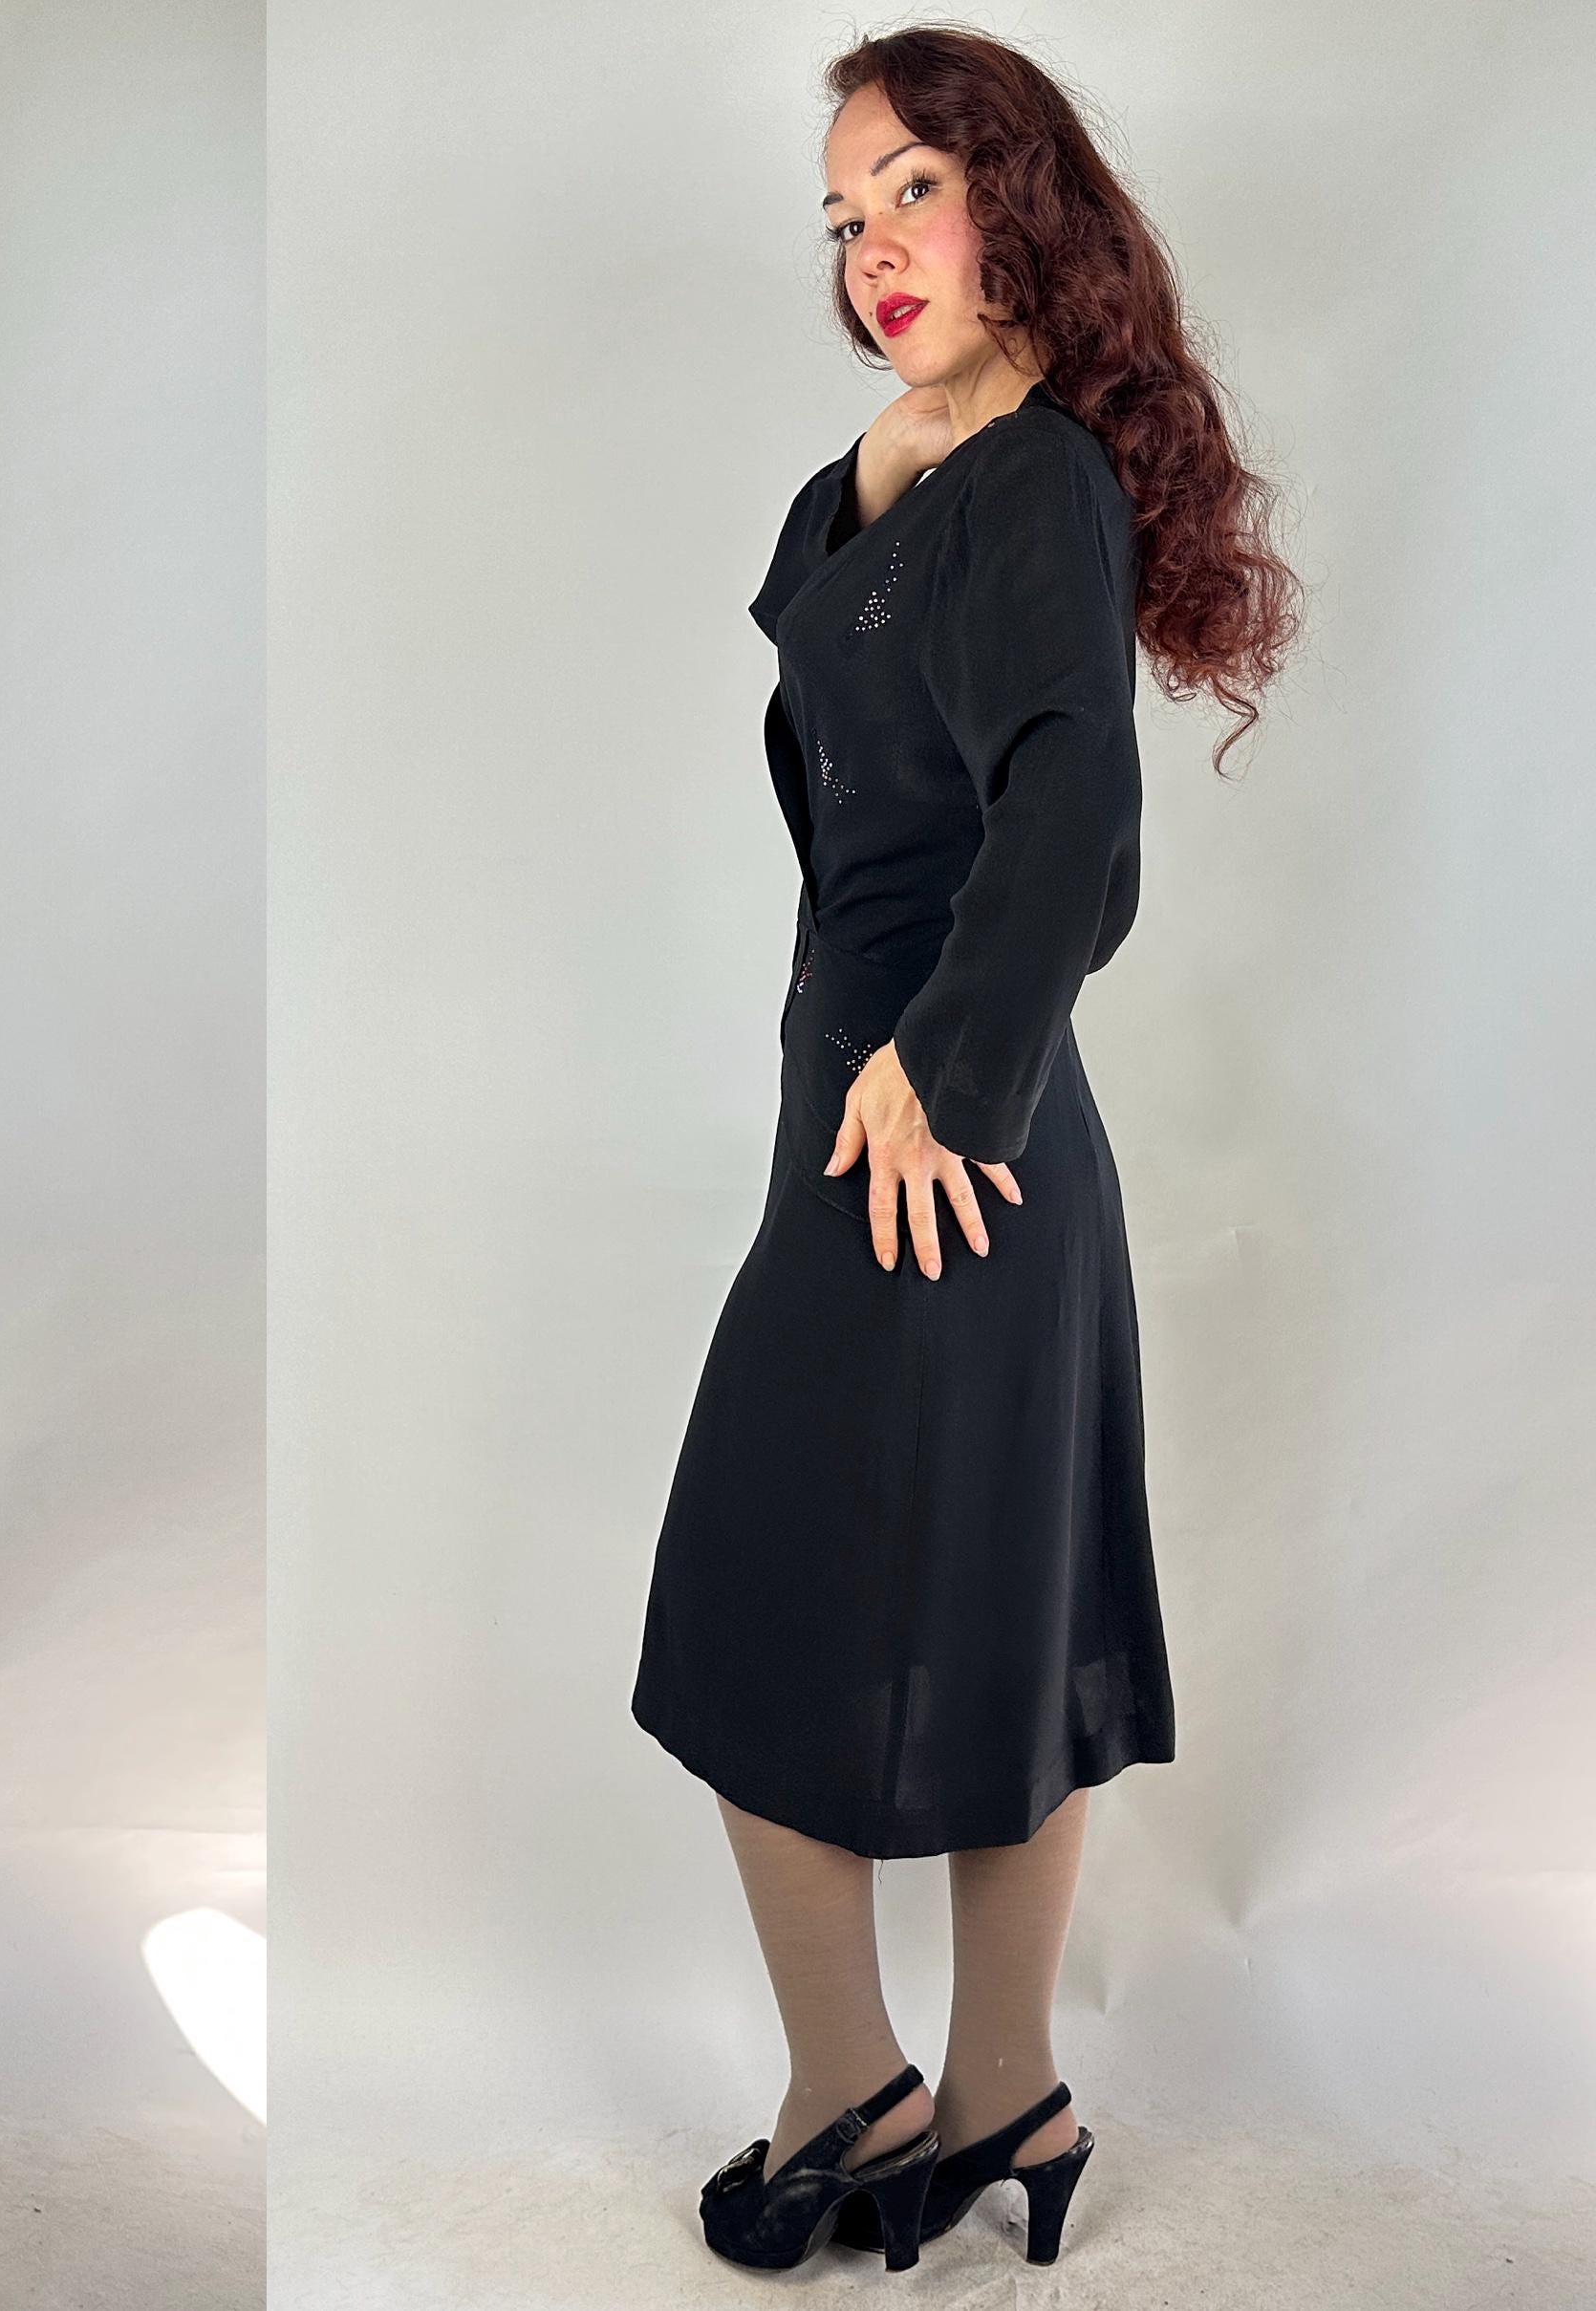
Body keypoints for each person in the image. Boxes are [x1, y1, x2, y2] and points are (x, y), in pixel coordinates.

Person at [629, 26, 1298, 2275]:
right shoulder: (903, 468)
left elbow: (1076, 806)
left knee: (758, 1601)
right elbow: (856, 763)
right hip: (887, 1118)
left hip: (944, 1132)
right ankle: (1004, 2097)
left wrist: (945, 1064)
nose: (872, 248)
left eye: (911, 188)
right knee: (970, 1605)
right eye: (843, 215)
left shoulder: (1039, 482)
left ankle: (866, 2095)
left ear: (1020, 199)